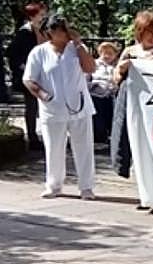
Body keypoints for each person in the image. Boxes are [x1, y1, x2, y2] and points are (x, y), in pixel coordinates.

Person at [23, 14, 97, 200]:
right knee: (53, 148)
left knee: (84, 148)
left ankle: (86, 187)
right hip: (53, 109)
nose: (63, 34)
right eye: (58, 30)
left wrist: (78, 43)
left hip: (79, 106)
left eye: (65, 29)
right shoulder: (39, 52)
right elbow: (29, 79)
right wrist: (43, 95)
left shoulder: (76, 49)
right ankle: (54, 186)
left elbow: (90, 68)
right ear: (50, 32)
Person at [112, 10, 153, 180]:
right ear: (140, 31)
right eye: (150, 32)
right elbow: (116, 79)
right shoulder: (130, 51)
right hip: (131, 104)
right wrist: (121, 69)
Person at [7, 2, 47, 150]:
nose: (44, 17)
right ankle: (33, 138)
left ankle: (47, 136)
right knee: (32, 106)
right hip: (31, 74)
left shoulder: (44, 31)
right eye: (41, 14)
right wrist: (24, 68)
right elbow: (12, 53)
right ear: (32, 16)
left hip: (45, 73)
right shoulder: (24, 33)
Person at [88, 41, 119, 145]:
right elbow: (86, 80)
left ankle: (109, 139)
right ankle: (98, 140)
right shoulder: (94, 64)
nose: (107, 56)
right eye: (104, 53)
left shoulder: (117, 66)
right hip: (96, 95)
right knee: (98, 120)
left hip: (111, 96)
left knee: (111, 118)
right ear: (100, 53)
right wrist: (94, 85)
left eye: (110, 53)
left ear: (115, 55)